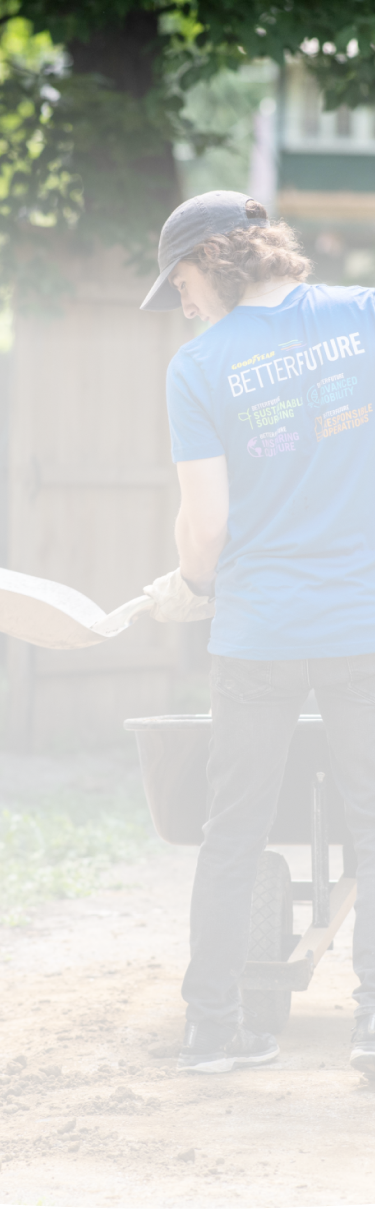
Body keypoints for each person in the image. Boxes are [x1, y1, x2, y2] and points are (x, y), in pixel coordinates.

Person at [141, 190, 375, 1076]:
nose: (184, 302)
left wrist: (192, 583)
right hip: (360, 618)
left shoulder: (198, 367)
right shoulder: (362, 319)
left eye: (182, 282)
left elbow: (204, 527)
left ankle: (212, 1027)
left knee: (231, 830)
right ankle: (371, 1027)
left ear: (213, 259)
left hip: (257, 631)